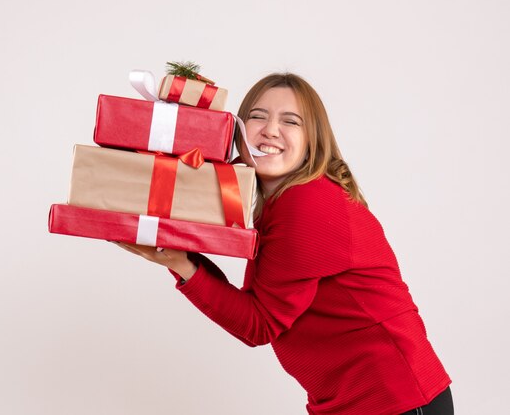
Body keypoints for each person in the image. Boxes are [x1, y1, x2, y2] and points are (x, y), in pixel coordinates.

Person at [115, 73, 453, 414]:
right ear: (237, 130)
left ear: (312, 141)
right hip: (363, 400)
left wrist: (181, 262)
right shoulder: (277, 202)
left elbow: (259, 324)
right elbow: (257, 307)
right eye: (258, 116)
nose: (270, 130)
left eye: (290, 121)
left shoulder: (307, 203)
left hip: (394, 400)